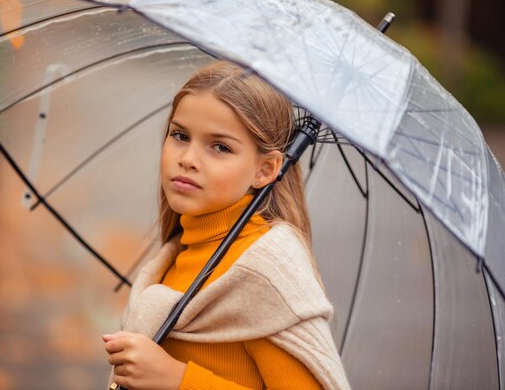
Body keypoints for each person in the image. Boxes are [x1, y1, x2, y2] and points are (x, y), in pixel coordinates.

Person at [102, 61, 350, 390]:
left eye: (220, 147)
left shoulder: (264, 273)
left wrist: (178, 380)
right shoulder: (176, 257)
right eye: (180, 135)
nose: (188, 158)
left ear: (266, 169)